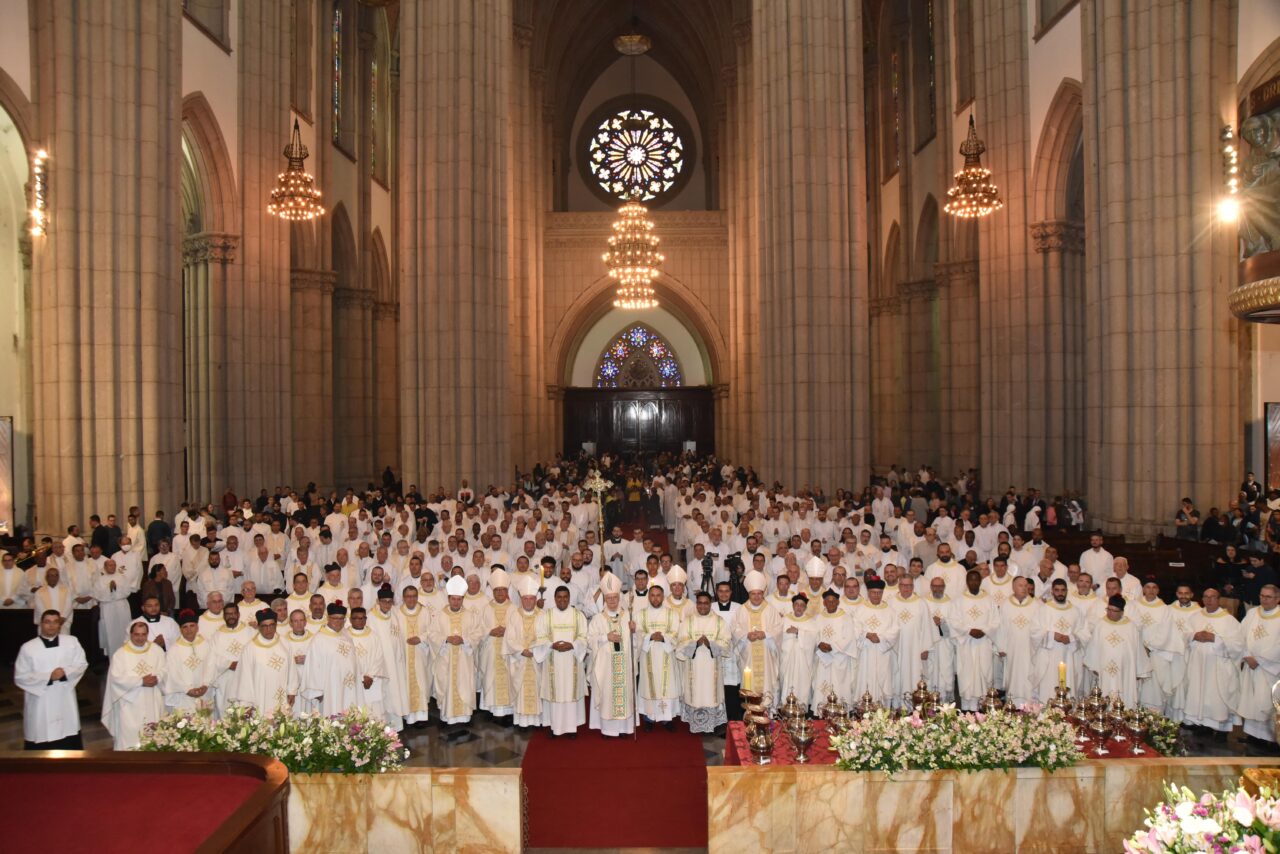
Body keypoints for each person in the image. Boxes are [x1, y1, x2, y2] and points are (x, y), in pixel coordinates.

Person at [14, 610, 87, 749]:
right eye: (47, 622)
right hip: (41, 699)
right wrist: (48, 677)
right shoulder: (28, 648)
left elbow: (81, 664)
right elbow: (21, 676)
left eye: (55, 622)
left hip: (64, 695)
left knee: (68, 731)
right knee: (41, 732)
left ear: (59, 625)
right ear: (41, 624)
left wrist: (65, 673)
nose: (51, 626)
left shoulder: (71, 642)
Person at [1179, 588, 1245, 738]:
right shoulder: (1194, 617)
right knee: (1199, 694)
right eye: (1206, 597)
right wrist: (1195, 635)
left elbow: (1237, 645)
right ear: (1202, 599)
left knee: (1217, 697)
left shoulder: (1229, 620)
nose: (1209, 600)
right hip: (1198, 665)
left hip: (1219, 667)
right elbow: (1185, 635)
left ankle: (1222, 730)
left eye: (1213, 597)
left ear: (1218, 599)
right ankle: (1202, 725)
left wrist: (1214, 638)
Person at [102, 619, 167, 749]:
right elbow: (116, 678)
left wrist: (157, 678)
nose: (140, 638)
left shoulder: (156, 650)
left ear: (147, 634)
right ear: (131, 635)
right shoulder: (120, 654)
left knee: (154, 734)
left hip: (152, 699)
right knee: (131, 736)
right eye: (137, 634)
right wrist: (140, 681)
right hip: (130, 704)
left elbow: (165, 669)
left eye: (143, 634)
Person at [428, 577, 484, 725]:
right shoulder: (439, 615)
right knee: (447, 684)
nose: (456, 602)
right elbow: (432, 634)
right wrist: (446, 639)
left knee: (464, 683)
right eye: (453, 599)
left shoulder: (470, 615)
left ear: (463, 599)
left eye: (459, 599)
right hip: (446, 659)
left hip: (464, 659)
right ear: (448, 598)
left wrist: (464, 640)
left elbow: (478, 633)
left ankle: (464, 716)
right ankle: (447, 715)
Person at [538, 584, 588, 737]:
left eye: (565, 597)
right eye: (559, 597)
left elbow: (583, 636)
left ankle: (571, 728)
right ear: (554, 598)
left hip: (572, 660)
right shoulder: (546, 615)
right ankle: (555, 727)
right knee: (556, 693)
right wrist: (551, 645)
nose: (562, 600)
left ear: (569, 598)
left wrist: (572, 645)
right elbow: (540, 636)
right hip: (553, 660)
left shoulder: (578, 615)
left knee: (570, 693)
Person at [676, 590, 729, 733]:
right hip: (694, 668)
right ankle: (696, 724)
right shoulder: (688, 621)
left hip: (712, 668)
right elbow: (680, 643)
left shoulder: (719, 621)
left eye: (706, 603)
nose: (703, 606)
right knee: (696, 695)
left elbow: (726, 643)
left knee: (711, 695)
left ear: (710, 604)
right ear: (696, 604)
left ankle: (713, 725)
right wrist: (695, 643)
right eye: (700, 603)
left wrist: (711, 644)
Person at [1237, 584, 1280, 749]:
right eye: (1262, 595)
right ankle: (1253, 736)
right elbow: (1241, 635)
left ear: (1277, 599)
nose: (1264, 599)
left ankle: (1270, 739)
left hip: (1270, 668)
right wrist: (1247, 655)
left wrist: (1260, 660)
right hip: (1250, 665)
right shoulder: (1252, 613)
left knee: (1267, 702)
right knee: (1251, 700)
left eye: (1268, 597)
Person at [730, 570, 782, 704]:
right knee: (750, 685)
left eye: (759, 593)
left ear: (763, 593)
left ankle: (768, 714)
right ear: (749, 594)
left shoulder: (771, 610)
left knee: (767, 687)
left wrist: (766, 634)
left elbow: (778, 628)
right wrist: (745, 635)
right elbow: (734, 629)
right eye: (753, 594)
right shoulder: (741, 610)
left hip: (766, 658)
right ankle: (750, 716)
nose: (757, 597)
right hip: (748, 657)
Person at [635, 584, 682, 729]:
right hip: (648, 654)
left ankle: (666, 718)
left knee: (667, 686)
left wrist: (663, 638)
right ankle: (649, 718)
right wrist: (650, 636)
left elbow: (676, 632)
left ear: (663, 597)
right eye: (652, 595)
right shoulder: (640, 614)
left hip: (665, 654)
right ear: (649, 597)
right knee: (649, 685)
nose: (655, 598)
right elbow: (638, 633)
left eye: (658, 595)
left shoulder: (672, 614)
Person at [1133, 580, 1183, 716]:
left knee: (1155, 686)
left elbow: (1166, 632)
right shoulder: (1134, 606)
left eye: (1154, 587)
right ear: (1143, 589)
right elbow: (1130, 627)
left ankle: (1155, 719)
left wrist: (1149, 647)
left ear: (1158, 590)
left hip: (1157, 653)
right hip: (1136, 652)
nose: (1151, 590)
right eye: (1148, 587)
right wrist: (1139, 647)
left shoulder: (1165, 609)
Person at [233, 609, 297, 715]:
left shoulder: (285, 644)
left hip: (280, 695)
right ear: (258, 627)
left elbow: (292, 669)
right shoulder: (250, 648)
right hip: (260, 697)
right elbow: (245, 676)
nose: (268, 629)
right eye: (264, 626)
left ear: (276, 625)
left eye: (272, 625)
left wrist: (292, 691)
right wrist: (246, 703)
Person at [303, 601, 362, 716]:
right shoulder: (319, 639)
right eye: (335, 618)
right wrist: (317, 691)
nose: (338, 622)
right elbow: (313, 665)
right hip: (331, 686)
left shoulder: (346, 635)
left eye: (341, 619)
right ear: (328, 618)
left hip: (350, 685)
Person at [994, 576, 1044, 706]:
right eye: (1020, 585)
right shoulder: (1005, 604)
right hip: (1012, 649)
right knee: (1013, 676)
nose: (1024, 588)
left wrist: (1038, 647)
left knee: (1029, 676)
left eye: (1026, 585)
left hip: (1030, 649)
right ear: (1013, 587)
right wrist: (1001, 647)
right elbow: (1000, 627)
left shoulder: (1036, 605)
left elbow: (1040, 628)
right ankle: (1013, 705)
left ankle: (1030, 705)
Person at [1037, 579, 1090, 703]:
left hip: (1069, 657)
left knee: (1069, 683)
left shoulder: (1075, 611)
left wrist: (1071, 638)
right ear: (1052, 591)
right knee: (1050, 685)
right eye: (1057, 590)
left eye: (1062, 590)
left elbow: (1085, 633)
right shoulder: (1044, 609)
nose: (1060, 593)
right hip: (1050, 656)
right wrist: (1052, 636)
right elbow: (1035, 631)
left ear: (1067, 591)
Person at [507, 575, 549, 731]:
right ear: (521, 599)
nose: (529, 602)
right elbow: (509, 639)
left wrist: (536, 652)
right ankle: (522, 721)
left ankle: (537, 720)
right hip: (520, 660)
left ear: (536, 598)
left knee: (537, 688)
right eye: (525, 599)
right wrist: (522, 651)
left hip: (537, 660)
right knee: (522, 688)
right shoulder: (514, 615)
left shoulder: (543, 616)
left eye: (532, 599)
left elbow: (547, 638)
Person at [953, 569, 998, 710]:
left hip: (983, 643)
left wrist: (984, 630)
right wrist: (969, 630)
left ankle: (982, 706)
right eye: (971, 580)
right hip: (966, 643)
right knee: (967, 674)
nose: (974, 582)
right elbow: (954, 621)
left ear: (980, 581)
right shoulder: (959, 600)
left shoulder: (989, 600)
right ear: (967, 582)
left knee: (983, 672)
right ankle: (966, 707)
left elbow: (996, 621)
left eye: (976, 579)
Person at [852, 578, 900, 705]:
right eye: (873, 592)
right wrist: (867, 634)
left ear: (882, 593)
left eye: (879, 592)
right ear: (868, 593)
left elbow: (895, 630)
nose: (876, 595)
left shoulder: (890, 611)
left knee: (883, 680)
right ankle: (864, 710)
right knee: (865, 680)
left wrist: (881, 638)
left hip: (883, 652)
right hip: (865, 653)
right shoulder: (860, 610)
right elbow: (855, 629)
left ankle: (882, 712)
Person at [889, 576, 935, 707]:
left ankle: (914, 706)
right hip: (896, 648)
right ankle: (897, 706)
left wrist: (925, 648)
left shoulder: (921, 603)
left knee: (914, 674)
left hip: (915, 649)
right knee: (897, 675)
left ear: (913, 587)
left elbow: (927, 626)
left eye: (909, 585)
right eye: (903, 585)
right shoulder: (892, 602)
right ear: (899, 586)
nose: (906, 588)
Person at [368, 585, 408, 731]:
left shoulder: (395, 614)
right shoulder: (371, 618)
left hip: (396, 662)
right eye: (384, 601)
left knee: (396, 693)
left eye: (389, 601)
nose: (386, 604)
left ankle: (396, 725)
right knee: (385, 695)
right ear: (378, 601)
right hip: (383, 665)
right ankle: (384, 726)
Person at [478, 569, 515, 722]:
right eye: (497, 590)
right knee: (490, 678)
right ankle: (490, 708)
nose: (500, 593)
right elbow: (479, 628)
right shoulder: (486, 608)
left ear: (507, 591)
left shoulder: (513, 608)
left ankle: (508, 709)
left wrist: (506, 631)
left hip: (508, 652)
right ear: (493, 591)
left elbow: (518, 629)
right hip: (491, 650)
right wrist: (491, 631)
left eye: (503, 590)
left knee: (508, 679)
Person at [202, 602, 252, 717]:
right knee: (226, 710)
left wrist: (242, 664)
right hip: (225, 678)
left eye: (234, 613)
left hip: (245, 677)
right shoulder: (217, 636)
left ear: (238, 615)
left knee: (245, 710)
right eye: (228, 614)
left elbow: (255, 652)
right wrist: (229, 664)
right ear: (224, 616)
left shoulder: (250, 632)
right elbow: (212, 657)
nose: (231, 616)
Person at [811, 588, 858, 707]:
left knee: (838, 684)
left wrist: (833, 647)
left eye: (833, 601)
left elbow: (849, 638)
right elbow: (814, 634)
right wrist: (819, 644)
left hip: (839, 658)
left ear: (838, 602)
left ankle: (840, 709)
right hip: (822, 658)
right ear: (824, 603)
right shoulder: (819, 617)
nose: (831, 603)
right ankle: (821, 708)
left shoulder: (845, 617)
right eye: (828, 601)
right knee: (823, 683)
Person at [347, 607, 392, 724]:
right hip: (354, 681)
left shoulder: (373, 635)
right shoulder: (345, 636)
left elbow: (379, 657)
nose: (360, 621)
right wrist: (361, 677)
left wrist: (370, 676)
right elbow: (345, 662)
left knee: (375, 713)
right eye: (356, 618)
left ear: (366, 619)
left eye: (362, 618)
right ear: (350, 619)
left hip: (373, 681)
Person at [163, 610, 211, 714]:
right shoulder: (174, 650)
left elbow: (211, 666)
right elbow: (172, 674)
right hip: (183, 696)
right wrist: (187, 689)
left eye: (192, 626)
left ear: (197, 627)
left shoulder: (206, 645)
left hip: (204, 693)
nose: (189, 630)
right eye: (185, 627)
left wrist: (205, 685)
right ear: (180, 629)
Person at [398, 585, 433, 726]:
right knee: (406, 683)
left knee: (421, 682)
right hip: (404, 655)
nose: (411, 599)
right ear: (403, 598)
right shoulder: (397, 612)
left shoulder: (424, 612)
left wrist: (420, 638)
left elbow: (432, 630)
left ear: (417, 597)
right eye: (408, 596)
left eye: (414, 596)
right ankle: (408, 716)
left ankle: (421, 716)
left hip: (420, 654)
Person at [94, 558, 133, 654]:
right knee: (110, 632)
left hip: (121, 606)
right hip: (107, 608)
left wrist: (116, 587)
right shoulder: (100, 580)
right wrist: (109, 588)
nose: (112, 567)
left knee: (124, 630)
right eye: (110, 565)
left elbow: (127, 591)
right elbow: (97, 594)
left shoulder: (122, 577)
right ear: (105, 567)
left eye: (114, 565)